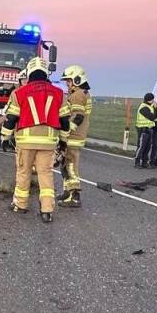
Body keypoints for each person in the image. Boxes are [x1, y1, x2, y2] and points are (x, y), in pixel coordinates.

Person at [3, 57, 69, 222]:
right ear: (46, 73)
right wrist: (63, 141)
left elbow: (11, 118)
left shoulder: (19, 93)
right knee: (45, 174)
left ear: (29, 72)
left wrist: (5, 137)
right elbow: (65, 122)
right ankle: (47, 210)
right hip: (48, 142)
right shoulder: (60, 93)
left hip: (25, 142)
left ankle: (20, 205)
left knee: (24, 173)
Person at [59, 65, 93, 208]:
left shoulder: (77, 95)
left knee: (70, 165)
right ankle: (67, 192)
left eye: (68, 80)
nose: (67, 83)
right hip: (78, 135)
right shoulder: (83, 93)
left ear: (77, 80)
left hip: (73, 136)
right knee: (64, 165)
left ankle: (75, 196)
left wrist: (66, 133)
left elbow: (77, 117)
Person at [133, 93, 157, 168]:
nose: (153, 100)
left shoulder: (149, 106)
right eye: (152, 99)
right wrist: (156, 109)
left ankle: (144, 163)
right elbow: (152, 117)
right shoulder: (143, 107)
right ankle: (137, 162)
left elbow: (154, 117)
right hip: (143, 129)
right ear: (149, 99)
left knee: (147, 147)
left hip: (149, 129)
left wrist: (155, 109)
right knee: (141, 147)